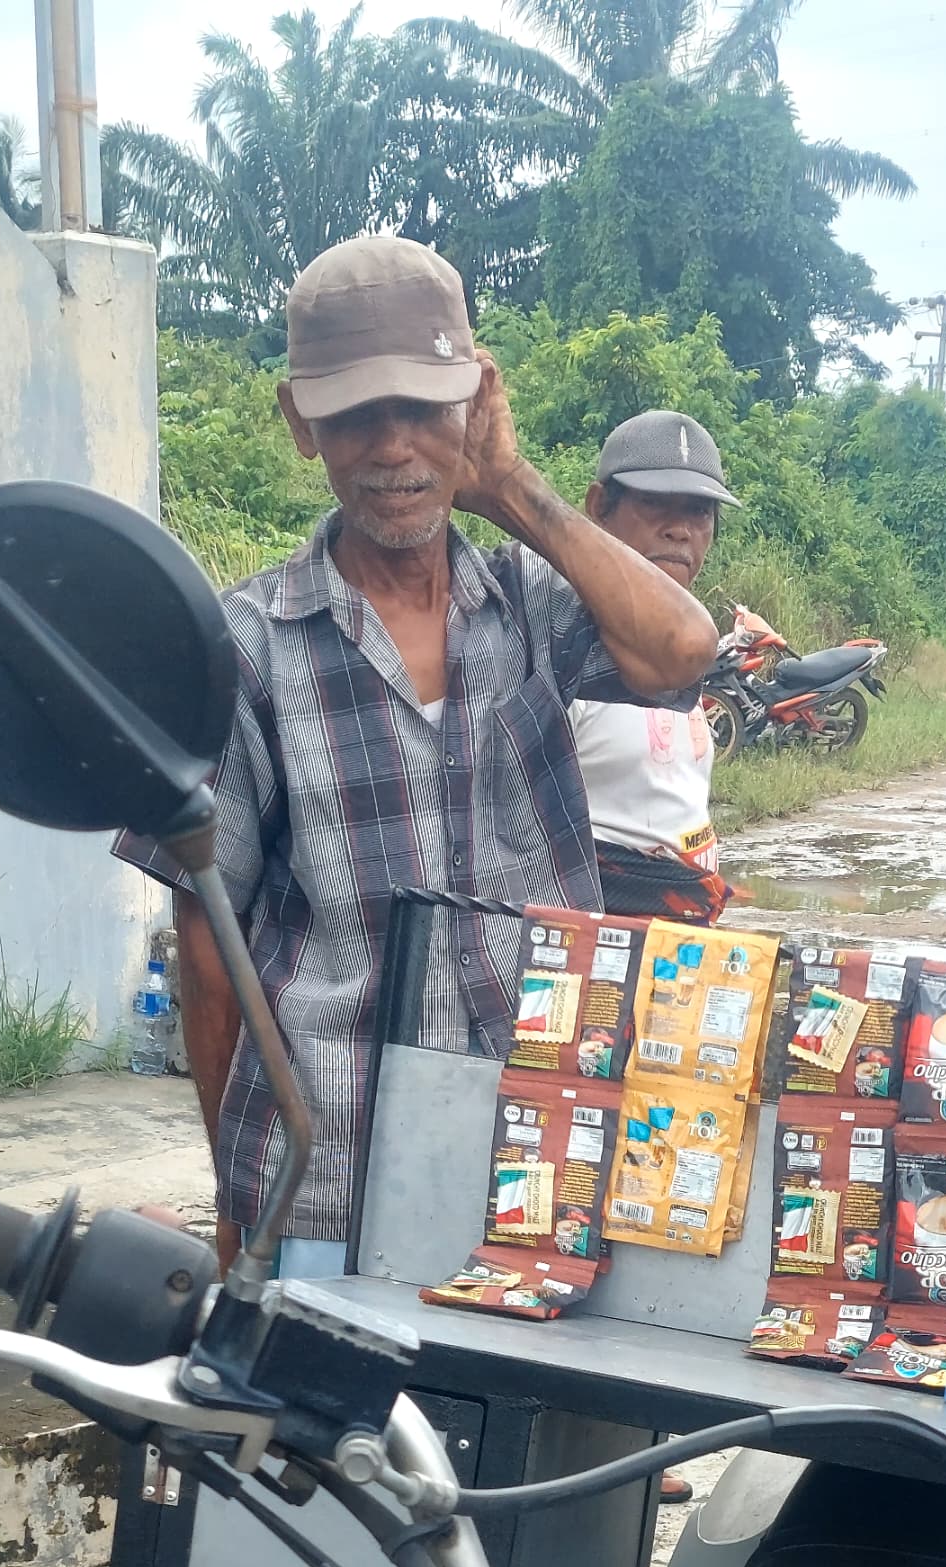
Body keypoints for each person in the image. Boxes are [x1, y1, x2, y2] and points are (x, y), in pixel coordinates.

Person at [131, 236, 715, 1268]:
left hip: (534, 1158)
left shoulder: (530, 605)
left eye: (423, 409)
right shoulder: (240, 647)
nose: (393, 447)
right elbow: (210, 946)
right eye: (355, 415)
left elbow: (681, 651)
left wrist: (507, 486)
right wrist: (235, 1196)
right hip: (328, 1177)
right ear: (300, 424)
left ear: (474, 399)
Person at [569, 407, 772, 926]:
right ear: (599, 507)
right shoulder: (565, 645)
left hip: (679, 936)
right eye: (655, 503)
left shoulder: (683, 646)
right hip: (602, 939)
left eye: (699, 512)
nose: (680, 531)